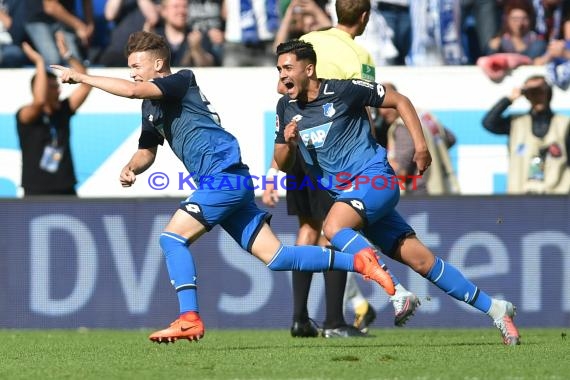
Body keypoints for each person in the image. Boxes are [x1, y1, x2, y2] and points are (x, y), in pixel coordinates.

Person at [50, 30, 396, 343]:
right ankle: (361, 263)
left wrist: (81, 76)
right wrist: (131, 167)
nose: (132, 72)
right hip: (229, 181)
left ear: (158, 63)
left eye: (136, 65)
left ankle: (189, 318)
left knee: (171, 238)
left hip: (223, 176)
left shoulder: (180, 80)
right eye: (129, 67)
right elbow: (147, 151)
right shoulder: (150, 105)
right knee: (278, 257)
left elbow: (132, 89)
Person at [273, 39, 521, 346]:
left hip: (375, 181)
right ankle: (497, 309)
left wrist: (420, 146)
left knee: (333, 227)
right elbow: (283, 164)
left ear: (308, 69)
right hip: (349, 197)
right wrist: (288, 141)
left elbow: (399, 101)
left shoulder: (344, 91)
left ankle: (396, 291)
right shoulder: (285, 107)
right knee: (423, 262)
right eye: (279, 69)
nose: (282, 76)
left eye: (287, 68)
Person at [267, 0, 420, 338]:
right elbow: (364, 107)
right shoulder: (359, 54)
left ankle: (299, 318)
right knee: (332, 231)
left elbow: (284, 89)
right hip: (329, 155)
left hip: (299, 144)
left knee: (307, 230)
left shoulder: (306, 40)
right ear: (364, 17)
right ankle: (335, 320)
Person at [16, 32, 92, 196]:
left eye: (57, 86)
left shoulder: (63, 110)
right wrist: (39, 62)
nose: (58, 90)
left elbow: (86, 85)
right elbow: (39, 102)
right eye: (52, 87)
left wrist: (68, 55)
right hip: (35, 190)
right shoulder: (26, 114)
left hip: (66, 187)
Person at [482, 74, 570, 194]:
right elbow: (488, 123)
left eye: (540, 91)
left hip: (556, 198)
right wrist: (510, 99)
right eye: (532, 92)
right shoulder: (516, 123)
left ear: (548, 93)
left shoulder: (564, 124)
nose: (537, 96)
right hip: (520, 197)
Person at [378, 82, 460, 195]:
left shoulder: (402, 126)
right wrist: (432, 153)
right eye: (379, 107)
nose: (382, 112)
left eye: (385, 106)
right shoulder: (425, 115)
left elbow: (402, 168)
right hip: (442, 184)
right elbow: (450, 138)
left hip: (421, 191)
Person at [24, 0, 94, 65]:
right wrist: (79, 26)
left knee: (75, 60)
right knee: (53, 59)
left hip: (65, 18)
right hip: (38, 18)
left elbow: (86, 2)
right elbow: (50, 6)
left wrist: (89, 25)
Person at [152, 0, 216, 67]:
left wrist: (197, 50)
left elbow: (210, 66)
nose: (181, 11)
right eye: (176, 7)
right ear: (163, 11)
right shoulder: (155, 38)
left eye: (185, 7)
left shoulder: (198, 36)